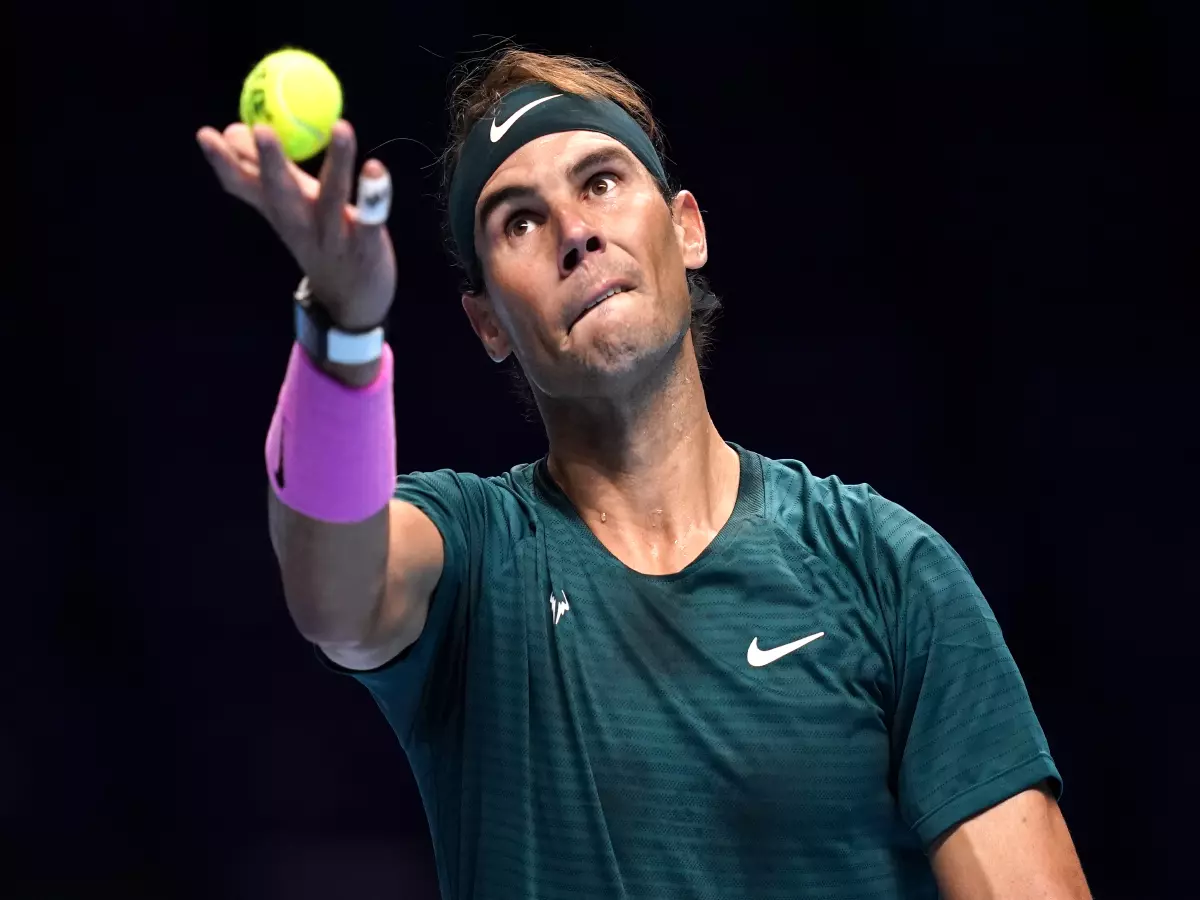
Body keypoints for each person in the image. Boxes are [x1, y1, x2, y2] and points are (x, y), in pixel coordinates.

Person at [197, 48, 1092, 900]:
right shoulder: (473, 557)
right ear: (487, 323)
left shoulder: (886, 567)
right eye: (519, 221)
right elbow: (334, 594)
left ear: (686, 228)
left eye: (600, 182)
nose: (575, 233)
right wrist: (343, 330)